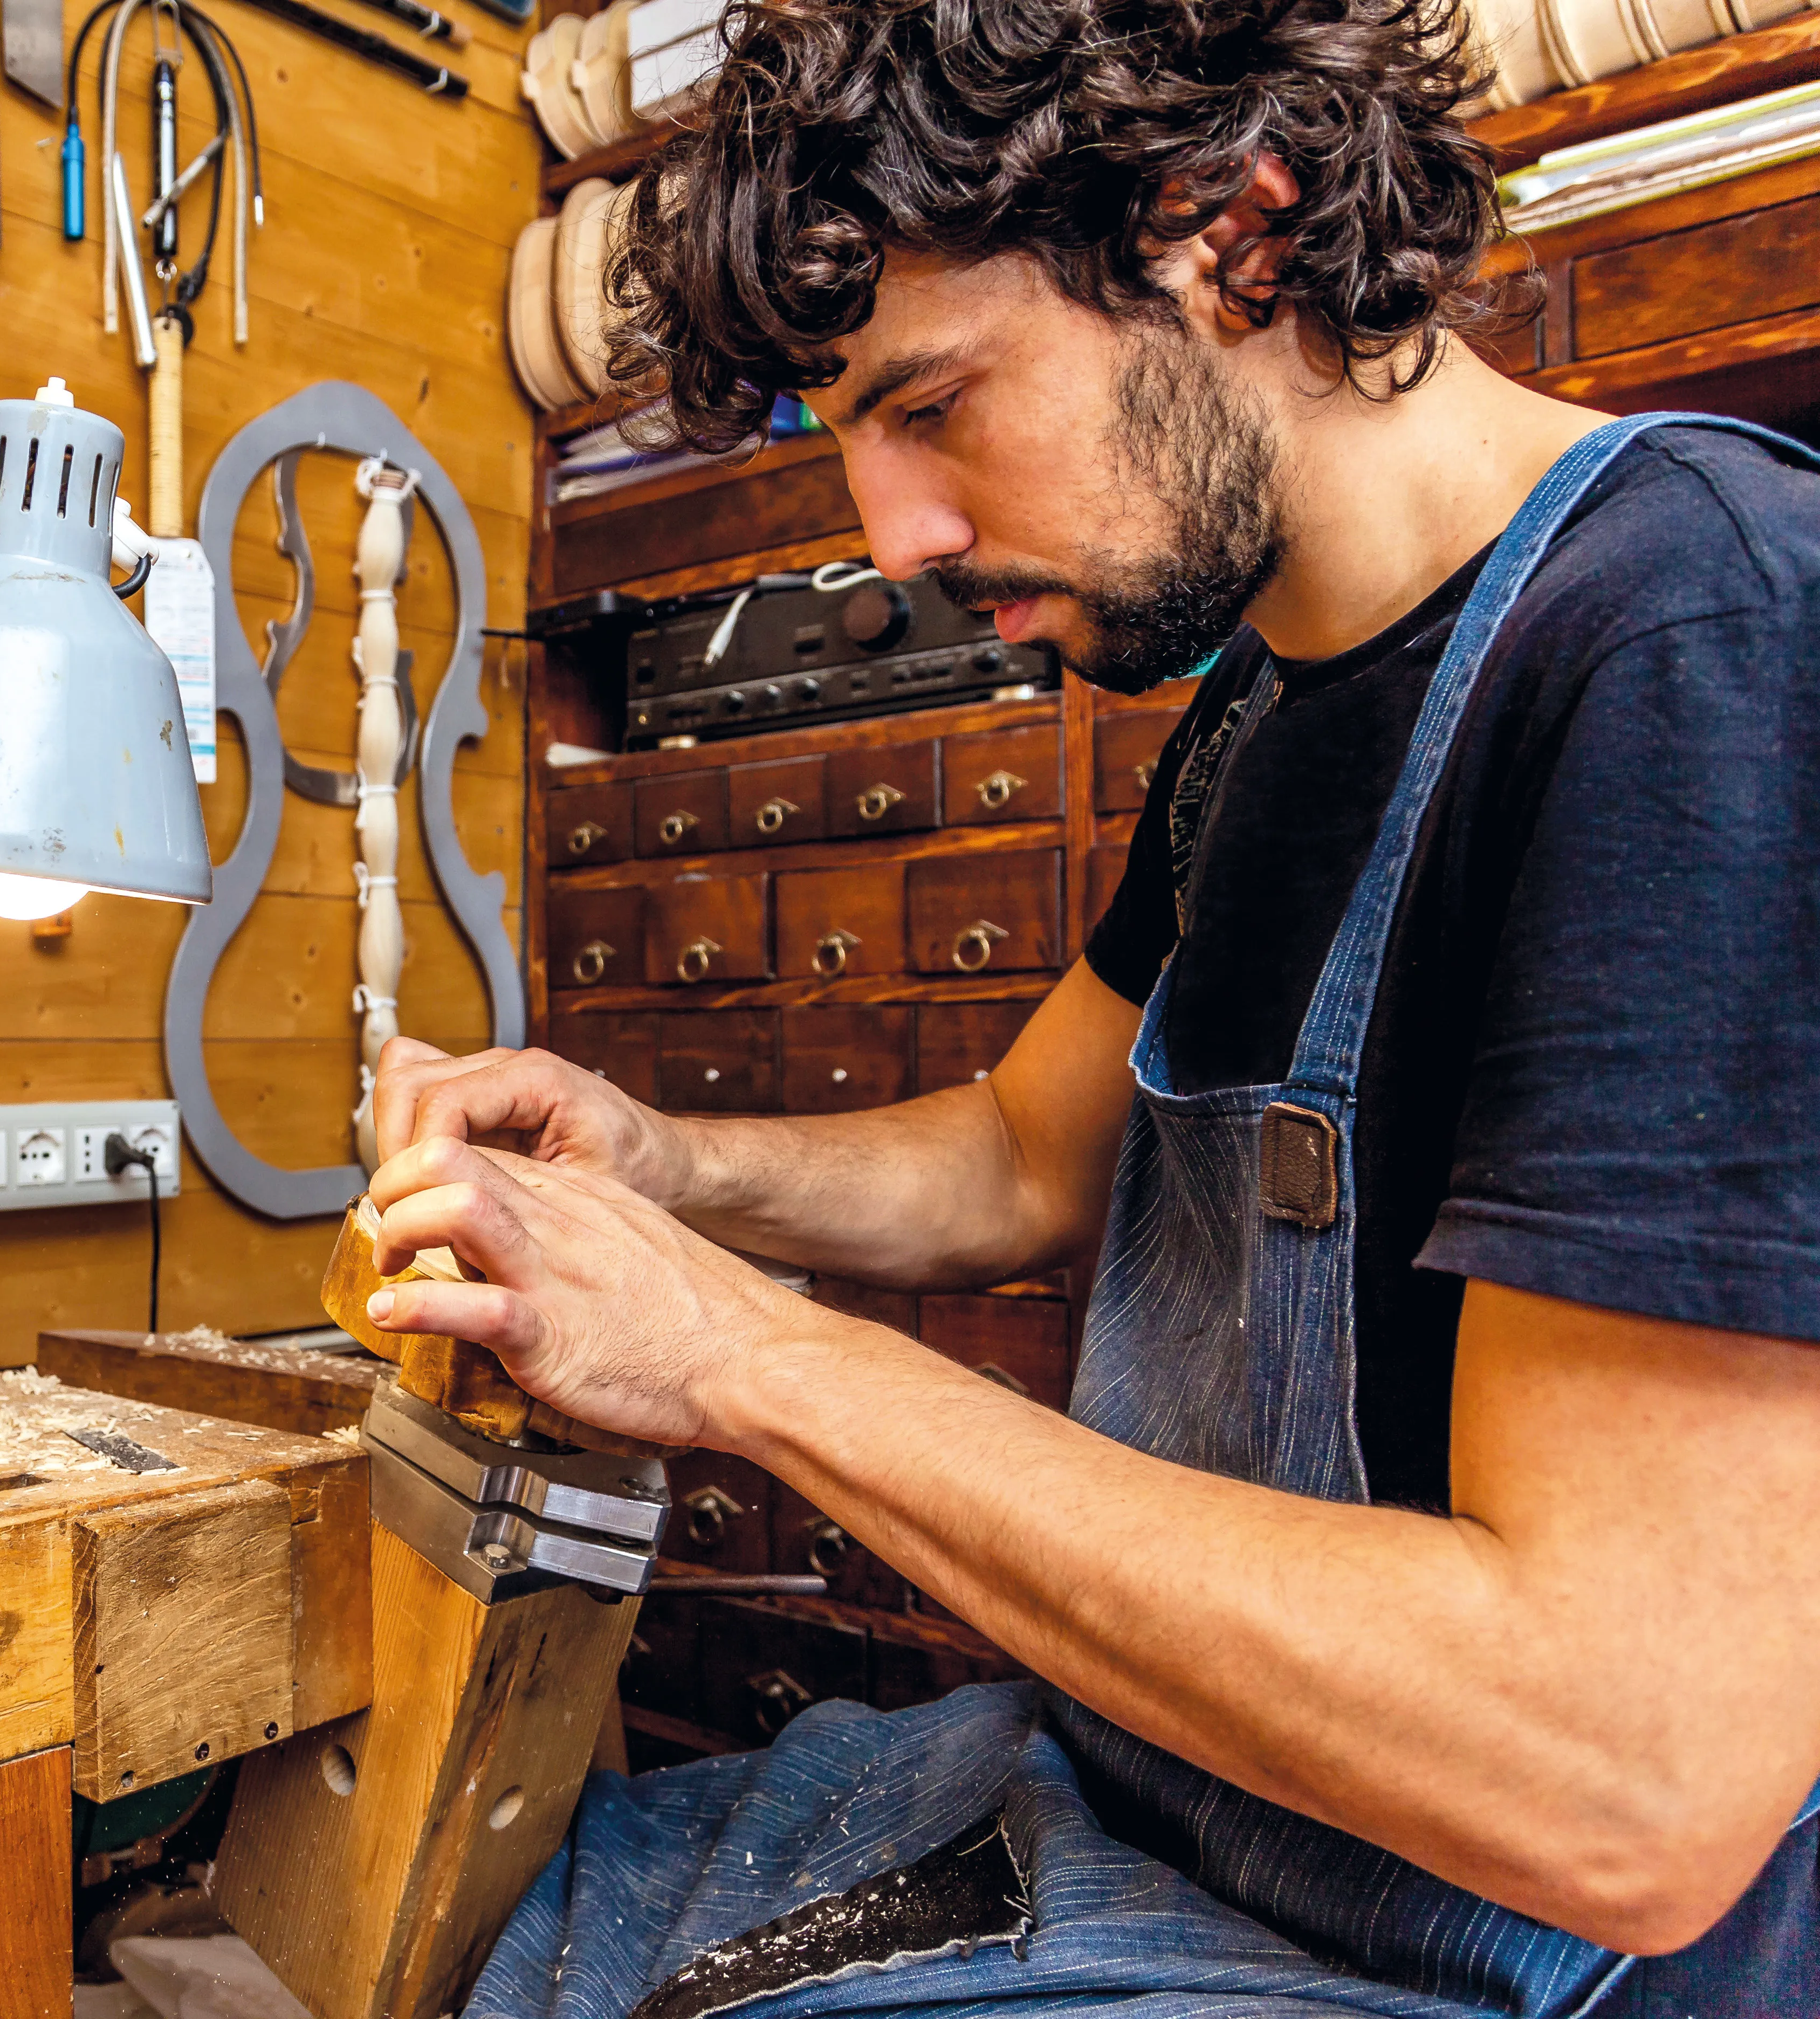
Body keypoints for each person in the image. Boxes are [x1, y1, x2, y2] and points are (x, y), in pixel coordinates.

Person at [363, 2, 1820, 2013]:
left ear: (1234, 231)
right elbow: (1033, 1155)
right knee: (490, 1932)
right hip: (1195, 1811)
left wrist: (735, 1356)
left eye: (935, 406)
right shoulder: (1264, 696)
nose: (894, 541)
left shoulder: (1702, 647)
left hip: (1491, 1949)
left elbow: (1628, 1780)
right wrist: (663, 1163)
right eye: (850, 439)